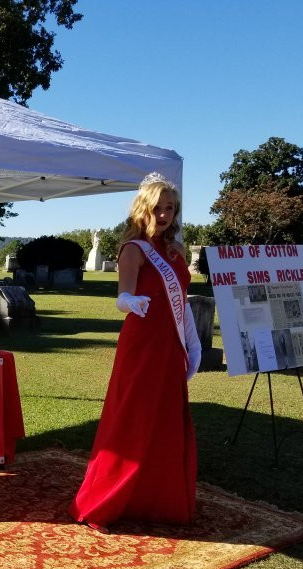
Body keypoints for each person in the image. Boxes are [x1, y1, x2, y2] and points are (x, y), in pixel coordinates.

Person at [70, 173, 201, 532]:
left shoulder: (172, 251)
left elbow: (183, 301)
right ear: (143, 208)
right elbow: (121, 297)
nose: (164, 215)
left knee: (165, 419)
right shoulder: (133, 249)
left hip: (169, 343)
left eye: (170, 208)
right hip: (142, 344)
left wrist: (193, 341)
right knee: (132, 418)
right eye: (158, 208)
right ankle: (103, 501)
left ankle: (155, 500)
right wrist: (131, 301)